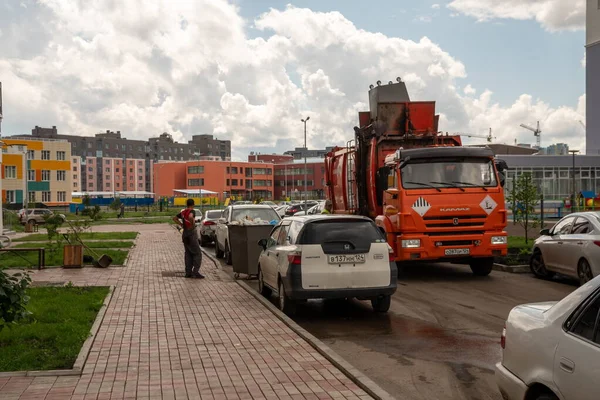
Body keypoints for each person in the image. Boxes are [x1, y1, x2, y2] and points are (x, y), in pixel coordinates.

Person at [173, 199, 204, 279]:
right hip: (191, 234)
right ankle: (195, 272)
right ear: (193, 204)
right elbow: (190, 217)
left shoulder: (183, 212)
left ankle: (188, 273)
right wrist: (192, 225)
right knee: (197, 253)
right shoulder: (192, 211)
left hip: (185, 234)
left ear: (187, 204)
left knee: (188, 254)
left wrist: (181, 224)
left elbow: (174, 218)